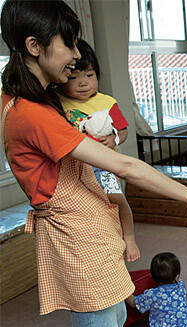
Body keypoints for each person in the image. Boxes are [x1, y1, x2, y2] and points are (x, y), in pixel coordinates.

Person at [0, 1, 187, 327]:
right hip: (80, 239)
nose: (75, 56)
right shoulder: (32, 112)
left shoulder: (21, 100)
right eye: (69, 45)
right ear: (34, 46)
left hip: (90, 229)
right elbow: (125, 166)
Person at [59, 39, 140, 262]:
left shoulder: (106, 102)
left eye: (89, 75)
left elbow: (123, 130)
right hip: (75, 170)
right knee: (88, 209)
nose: (83, 83)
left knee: (117, 199)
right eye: (74, 77)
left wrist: (114, 140)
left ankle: (130, 237)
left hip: (104, 166)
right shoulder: (59, 103)